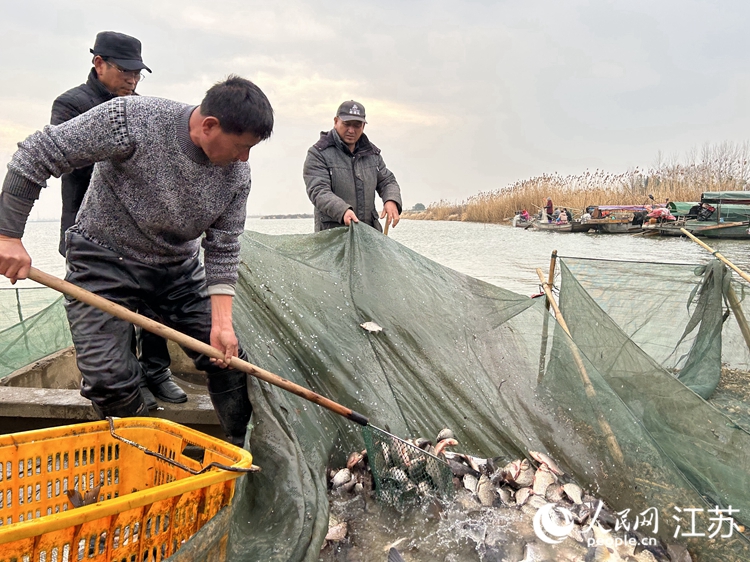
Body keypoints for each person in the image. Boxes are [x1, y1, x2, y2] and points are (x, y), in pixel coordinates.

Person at [0, 75, 274, 447]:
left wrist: (222, 324)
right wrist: (8, 236)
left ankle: (240, 451)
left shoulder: (237, 176)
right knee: (108, 379)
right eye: (241, 146)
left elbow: (223, 247)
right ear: (210, 126)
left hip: (176, 268)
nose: (244, 158)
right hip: (103, 260)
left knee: (227, 358)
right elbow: (37, 154)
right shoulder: (130, 120)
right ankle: (150, 453)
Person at [50, 31, 184, 410]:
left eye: (138, 73)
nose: (133, 79)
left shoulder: (143, 108)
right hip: (89, 230)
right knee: (109, 310)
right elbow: (73, 164)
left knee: (156, 301)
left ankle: (157, 371)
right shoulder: (71, 104)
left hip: (143, 232)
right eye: (126, 71)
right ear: (99, 64)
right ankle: (127, 381)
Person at [304, 100, 402, 232]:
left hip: (369, 234)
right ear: (336, 121)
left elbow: (387, 181)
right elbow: (318, 190)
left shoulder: (372, 154)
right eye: (346, 124)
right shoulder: (318, 153)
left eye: (357, 125)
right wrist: (343, 211)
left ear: (363, 126)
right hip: (333, 236)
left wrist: (391, 200)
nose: (351, 130)